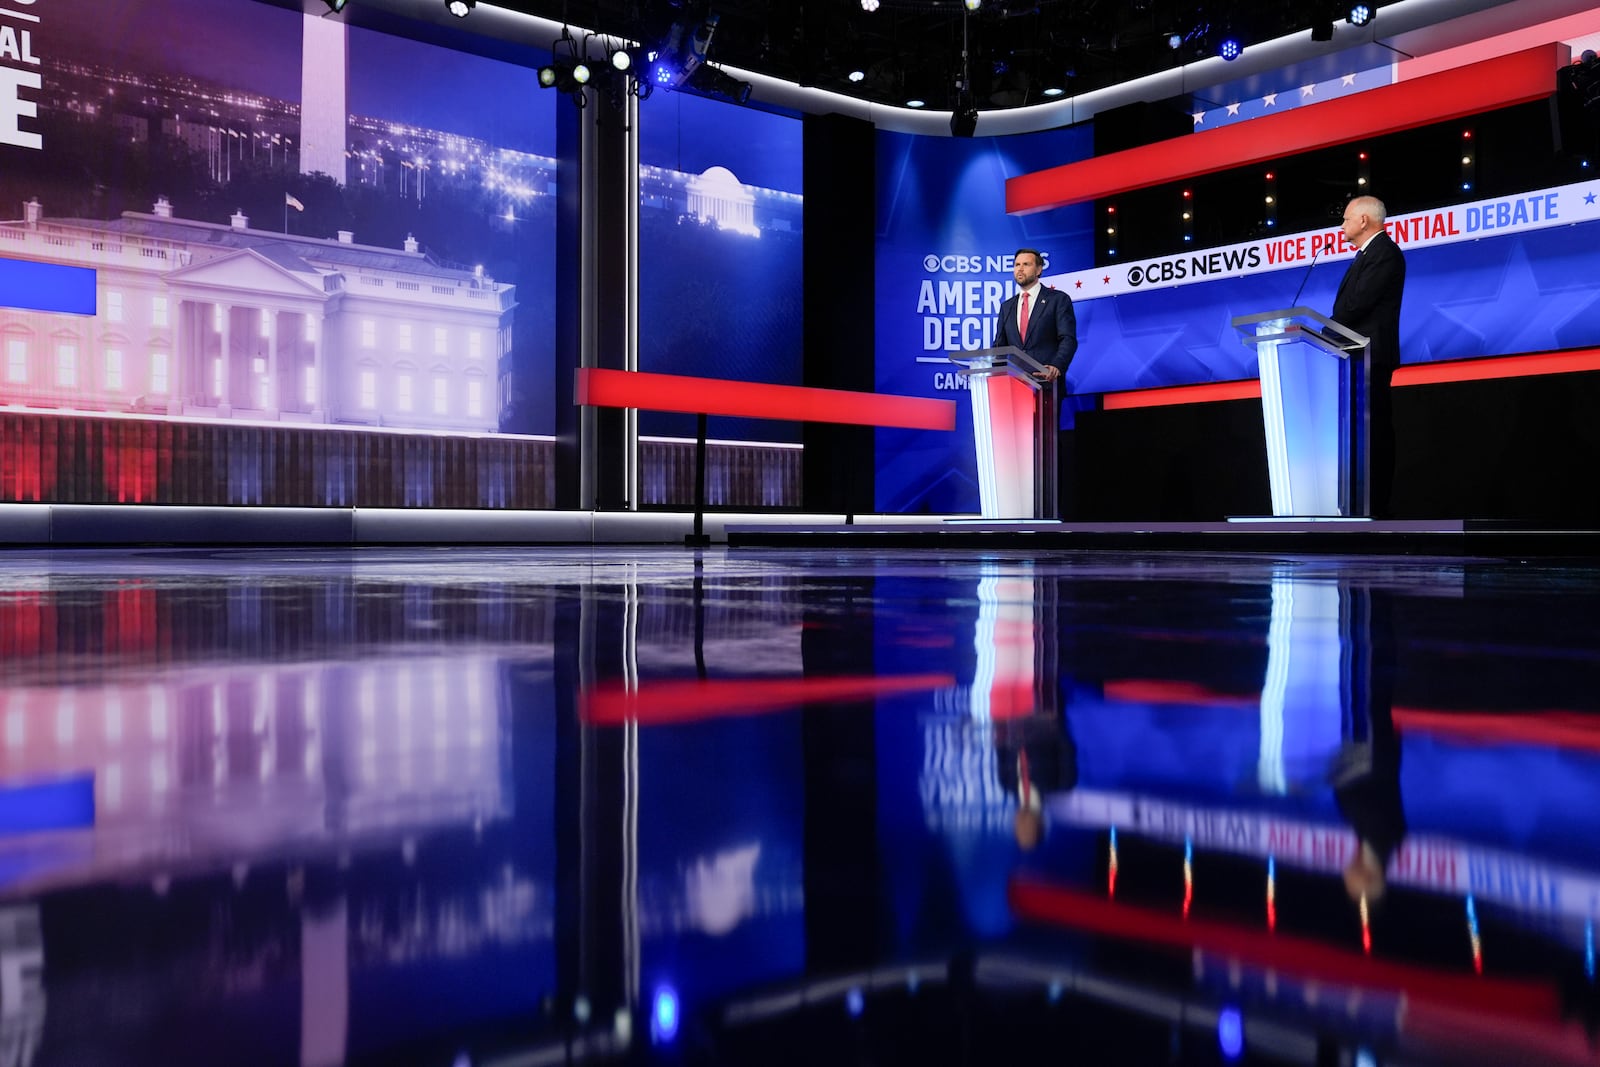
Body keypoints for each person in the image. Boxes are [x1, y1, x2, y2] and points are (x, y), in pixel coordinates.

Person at [1331, 195, 1406, 518]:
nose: (1342, 225)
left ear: (1364, 220)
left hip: (1371, 356)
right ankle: (1357, 505)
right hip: (1356, 356)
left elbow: (1357, 305)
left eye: (1346, 218)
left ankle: (1376, 506)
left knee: (1374, 432)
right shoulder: (1365, 255)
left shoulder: (1384, 253)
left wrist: (1330, 328)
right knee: (1359, 435)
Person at [993, 248, 1077, 383]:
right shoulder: (1007, 307)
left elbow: (1068, 339)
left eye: (1026, 264)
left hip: (1047, 381)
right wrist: (995, 375)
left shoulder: (1057, 299)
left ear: (1039, 270)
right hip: (1013, 383)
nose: (1020, 269)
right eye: (1017, 265)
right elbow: (999, 347)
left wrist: (1056, 365)